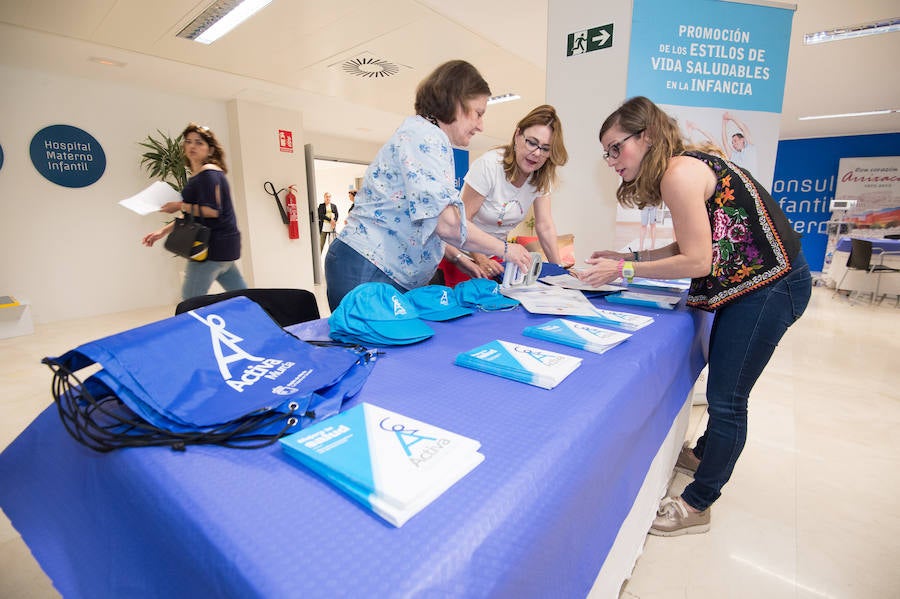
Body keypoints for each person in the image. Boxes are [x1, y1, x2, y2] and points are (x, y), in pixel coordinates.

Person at [574, 96, 811, 536]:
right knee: (725, 385)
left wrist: (623, 270)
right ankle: (704, 453)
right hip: (759, 282)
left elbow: (698, 261)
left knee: (727, 399)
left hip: (772, 286)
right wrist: (630, 256)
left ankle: (698, 502)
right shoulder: (682, 167)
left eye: (615, 148)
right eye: (605, 153)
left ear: (644, 137)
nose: (610, 161)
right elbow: (691, 242)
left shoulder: (679, 174)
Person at [323, 60, 532, 311]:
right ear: (456, 102)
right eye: (478, 113)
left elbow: (426, 219)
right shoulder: (425, 138)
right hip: (370, 265)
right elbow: (447, 223)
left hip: (383, 269)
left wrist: (457, 257)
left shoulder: (429, 137)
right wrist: (506, 249)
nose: (481, 125)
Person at [439, 104, 570, 286]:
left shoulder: (541, 176)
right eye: (532, 142)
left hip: (497, 257)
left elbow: (545, 226)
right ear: (517, 135)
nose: (537, 153)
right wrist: (481, 259)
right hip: (462, 256)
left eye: (545, 148)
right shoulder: (490, 165)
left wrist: (560, 273)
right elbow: (462, 223)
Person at [142, 123, 247, 300]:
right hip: (225, 249)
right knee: (245, 299)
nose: (192, 146)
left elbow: (213, 211)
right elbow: (192, 214)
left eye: (199, 142)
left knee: (190, 305)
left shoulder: (208, 174)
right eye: (188, 141)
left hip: (210, 249)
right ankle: (264, 324)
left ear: (210, 150)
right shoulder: (202, 175)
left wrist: (178, 205)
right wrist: (162, 231)